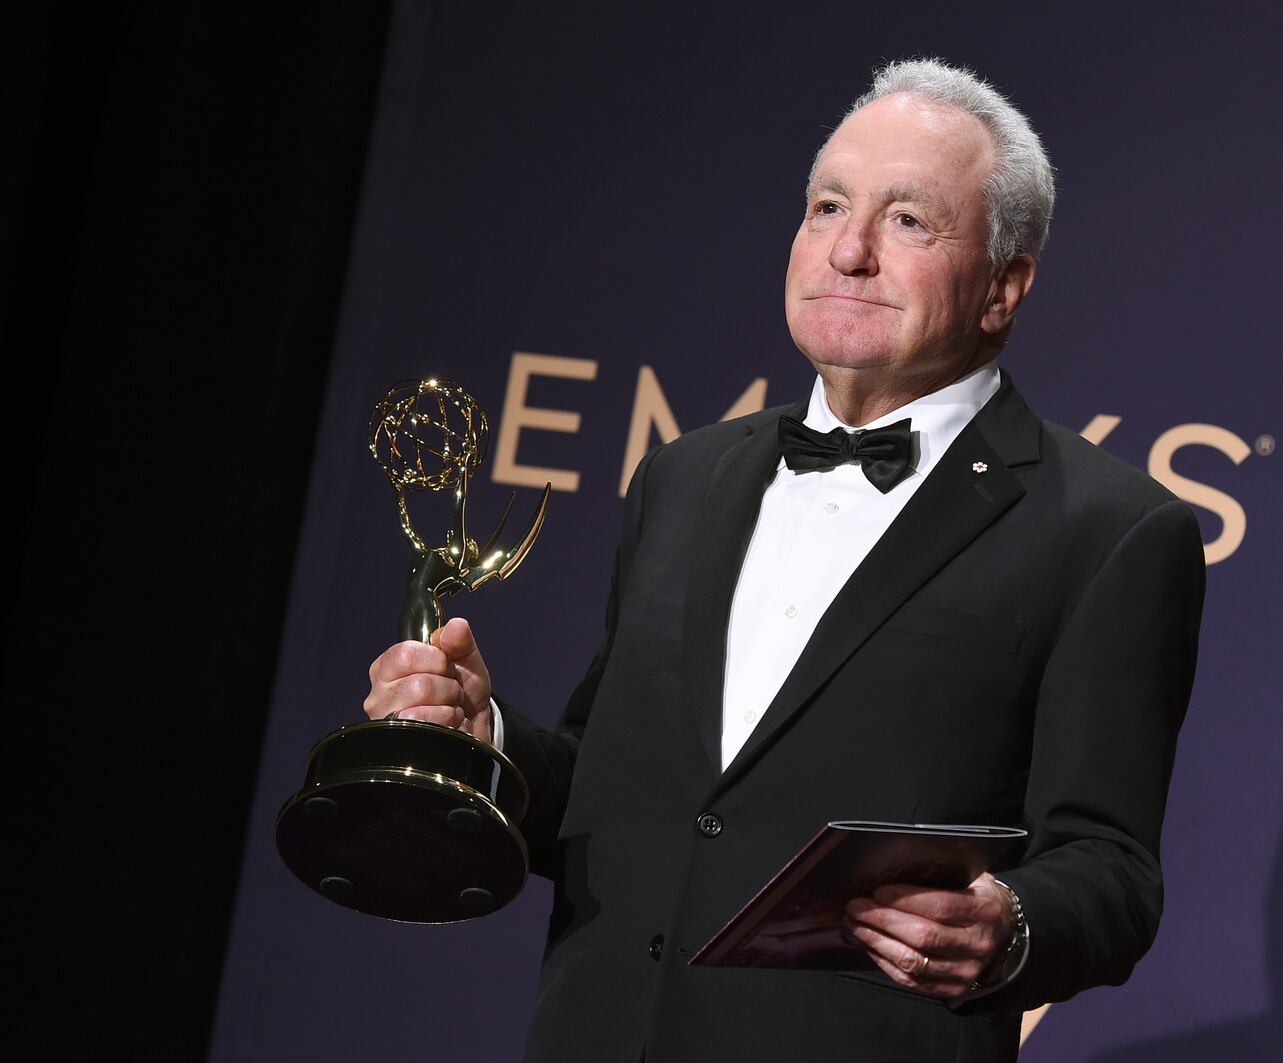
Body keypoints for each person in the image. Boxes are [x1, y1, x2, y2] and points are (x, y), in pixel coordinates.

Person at [364, 58, 1205, 1063]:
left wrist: (1009, 925)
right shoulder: (684, 477)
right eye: (825, 207)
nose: (847, 251)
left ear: (1003, 285)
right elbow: (614, 799)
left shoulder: (1106, 528)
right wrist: (483, 735)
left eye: (906, 221)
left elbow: (1109, 869)